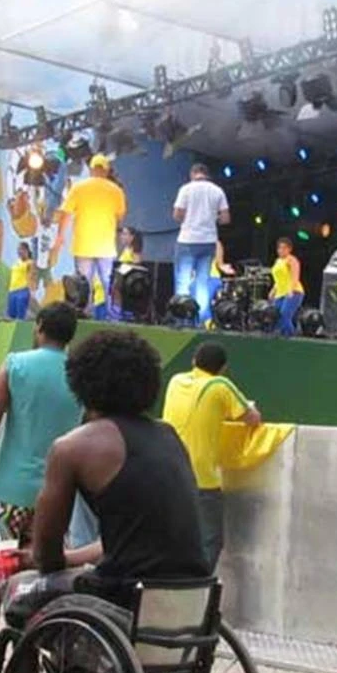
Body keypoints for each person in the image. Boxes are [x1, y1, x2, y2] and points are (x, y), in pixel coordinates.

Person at [29, 329, 210, 608]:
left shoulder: (72, 447)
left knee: (20, 591)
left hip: (124, 596)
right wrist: (72, 558)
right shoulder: (170, 437)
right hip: (193, 597)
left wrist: (43, 561)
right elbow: (135, 541)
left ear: (80, 382)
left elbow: (46, 556)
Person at [0, 302, 82, 655]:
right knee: (46, 566)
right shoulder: (80, 375)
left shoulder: (15, 365)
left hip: (9, 488)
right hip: (59, 494)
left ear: (39, 326)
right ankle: (38, 638)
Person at [161, 343, 261, 569]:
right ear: (223, 368)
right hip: (201, 479)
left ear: (194, 361)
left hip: (168, 474)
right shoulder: (220, 385)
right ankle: (198, 585)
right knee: (209, 541)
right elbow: (252, 418)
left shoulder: (176, 381)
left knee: (174, 539)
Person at [54, 154, 127, 309]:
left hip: (83, 244)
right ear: (106, 170)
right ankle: (113, 315)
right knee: (108, 283)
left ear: (91, 169)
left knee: (83, 284)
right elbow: (120, 216)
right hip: (106, 246)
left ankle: (85, 313)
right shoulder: (116, 191)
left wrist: (60, 236)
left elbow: (65, 213)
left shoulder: (78, 188)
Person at [173, 163, 230, 324]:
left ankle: (182, 318)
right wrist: (212, 219)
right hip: (208, 240)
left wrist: (190, 218)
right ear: (207, 174)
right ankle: (201, 320)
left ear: (193, 174)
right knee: (202, 282)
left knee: (183, 281)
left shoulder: (185, 189)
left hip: (187, 239)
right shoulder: (218, 191)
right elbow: (225, 218)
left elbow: (176, 215)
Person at [270, 236, 304, 337]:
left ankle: (291, 336)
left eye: (284, 248)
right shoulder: (277, 261)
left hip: (293, 291)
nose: (281, 250)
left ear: (289, 249)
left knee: (284, 315)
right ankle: (282, 335)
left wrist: (291, 290)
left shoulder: (292, 260)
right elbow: (278, 279)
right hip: (280, 292)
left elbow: (295, 276)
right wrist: (273, 290)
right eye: (279, 248)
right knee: (275, 316)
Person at [7, 243, 35, 321]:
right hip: (12, 291)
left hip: (22, 291)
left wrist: (32, 291)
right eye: (18, 249)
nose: (19, 251)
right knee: (11, 316)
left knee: (20, 317)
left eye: (22, 249)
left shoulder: (30, 263)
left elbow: (31, 278)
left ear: (27, 250)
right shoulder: (16, 263)